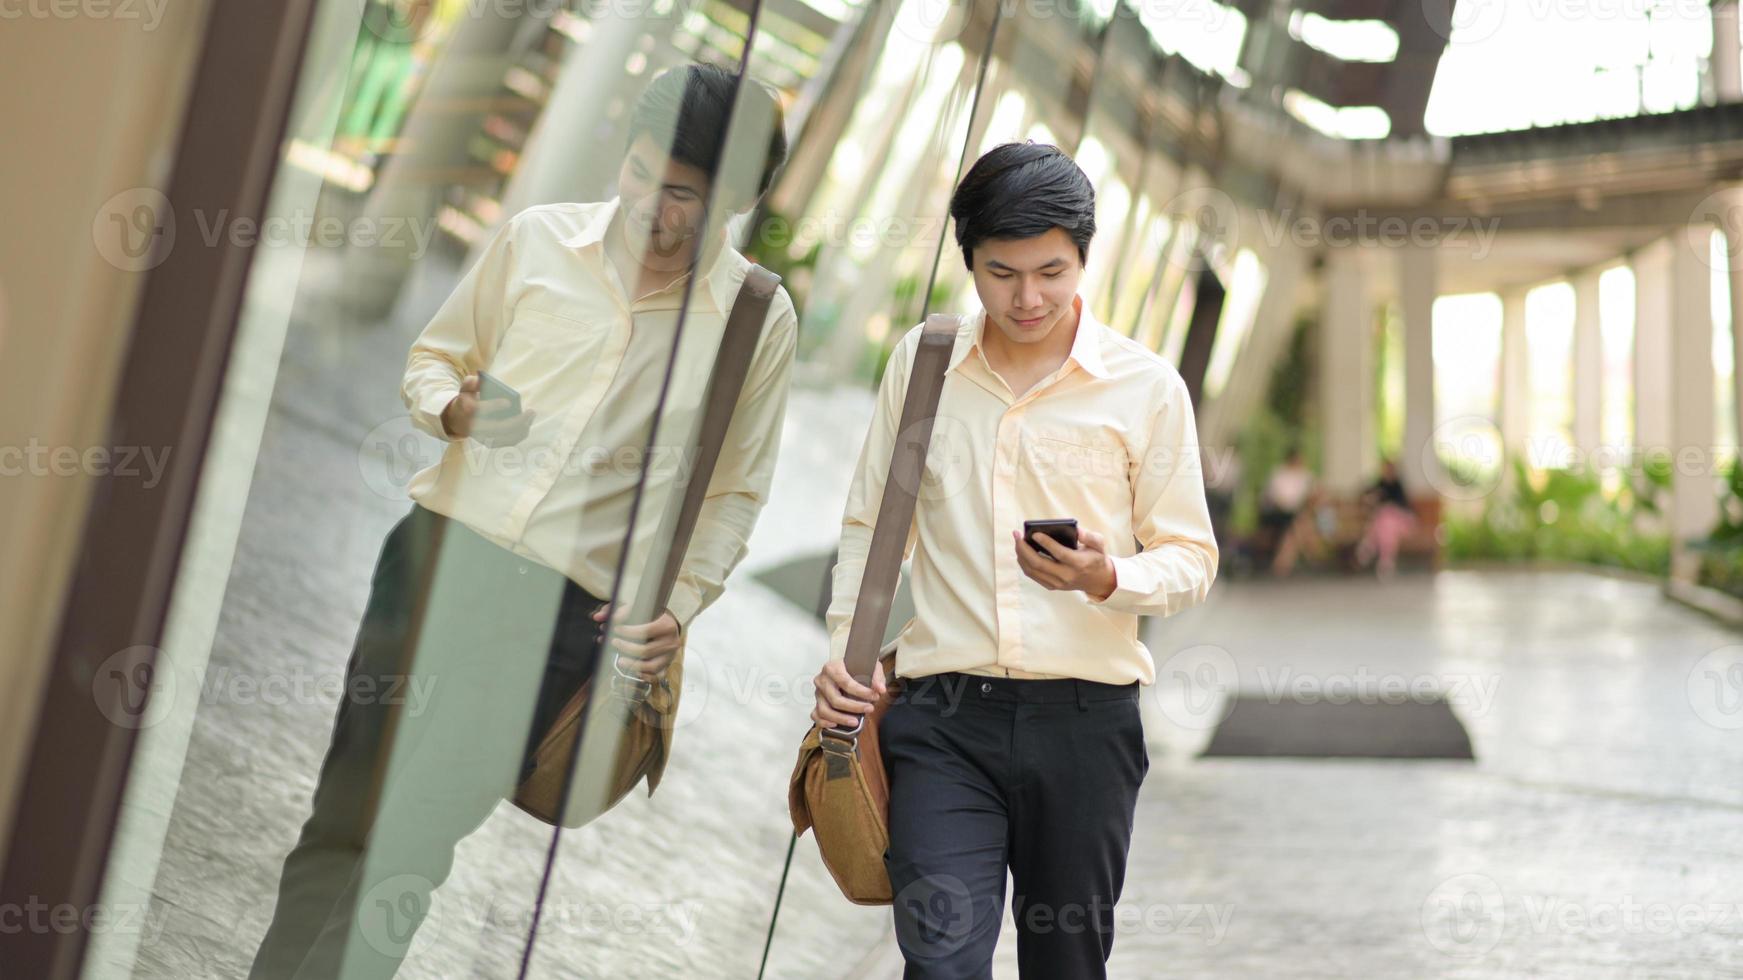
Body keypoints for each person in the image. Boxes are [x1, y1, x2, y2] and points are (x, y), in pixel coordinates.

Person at [249, 63, 796, 980]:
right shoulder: (537, 241)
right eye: (637, 173)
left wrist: (683, 600)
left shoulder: (753, 319)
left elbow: (736, 490)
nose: (646, 207)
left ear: (735, 203)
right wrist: (453, 410)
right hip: (429, 562)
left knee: (411, 845)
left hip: (556, 619)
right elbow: (434, 358)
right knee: (341, 819)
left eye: (682, 196)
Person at [810, 142, 1218, 978]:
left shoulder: (1144, 389)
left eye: (1051, 271)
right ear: (968, 261)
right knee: (941, 963)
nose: (1027, 297)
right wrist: (846, 649)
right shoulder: (923, 368)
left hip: (1085, 727)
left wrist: (1109, 577)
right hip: (942, 724)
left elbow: (1191, 557)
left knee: (1065, 964)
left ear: (1083, 259)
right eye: (1001, 273)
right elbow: (868, 526)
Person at [1355, 458, 1416, 579]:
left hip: (1402, 522)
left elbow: (1400, 506)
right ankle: (1386, 562)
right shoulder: (1381, 483)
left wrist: (1385, 505)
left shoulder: (1398, 485)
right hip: (1386, 526)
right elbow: (1367, 494)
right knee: (1385, 524)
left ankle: (1370, 544)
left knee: (1386, 516)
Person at [1260, 448, 1314, 576]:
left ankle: (1282, 562)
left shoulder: (1305, 476)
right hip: (1277, 513)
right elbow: (1276, 498)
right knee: (1297, 525)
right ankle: (1295, 558)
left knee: (1295, 527)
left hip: (1293, 514)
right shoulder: (1280, 474)